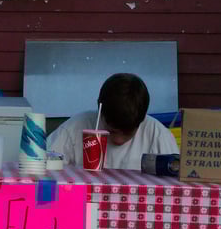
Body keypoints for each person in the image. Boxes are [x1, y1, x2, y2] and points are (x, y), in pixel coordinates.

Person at [47, 73, 178, 170]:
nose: (118, 140)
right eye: (111, 131)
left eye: (128, 133)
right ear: (100, 110)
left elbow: (175, 178)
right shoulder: (75, 128)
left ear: (142, 119)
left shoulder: (157, 135)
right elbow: (42, 164)